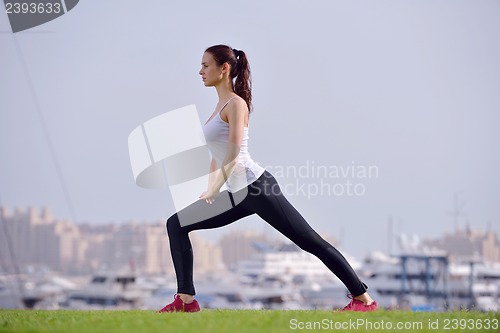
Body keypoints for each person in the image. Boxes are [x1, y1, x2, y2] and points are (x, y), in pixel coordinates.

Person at [159, 44, 377, 313]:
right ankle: (186, 301)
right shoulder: (218, 106)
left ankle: (363, 300)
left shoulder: (236, 104)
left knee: (310, 242)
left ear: (223, 68)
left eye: (205, 65)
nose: (200, 71)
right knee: (176, 224)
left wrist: (216, 187)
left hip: (258, 189)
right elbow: (217, 152)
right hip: (237, 192)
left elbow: (234, 151)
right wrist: (211, 188)